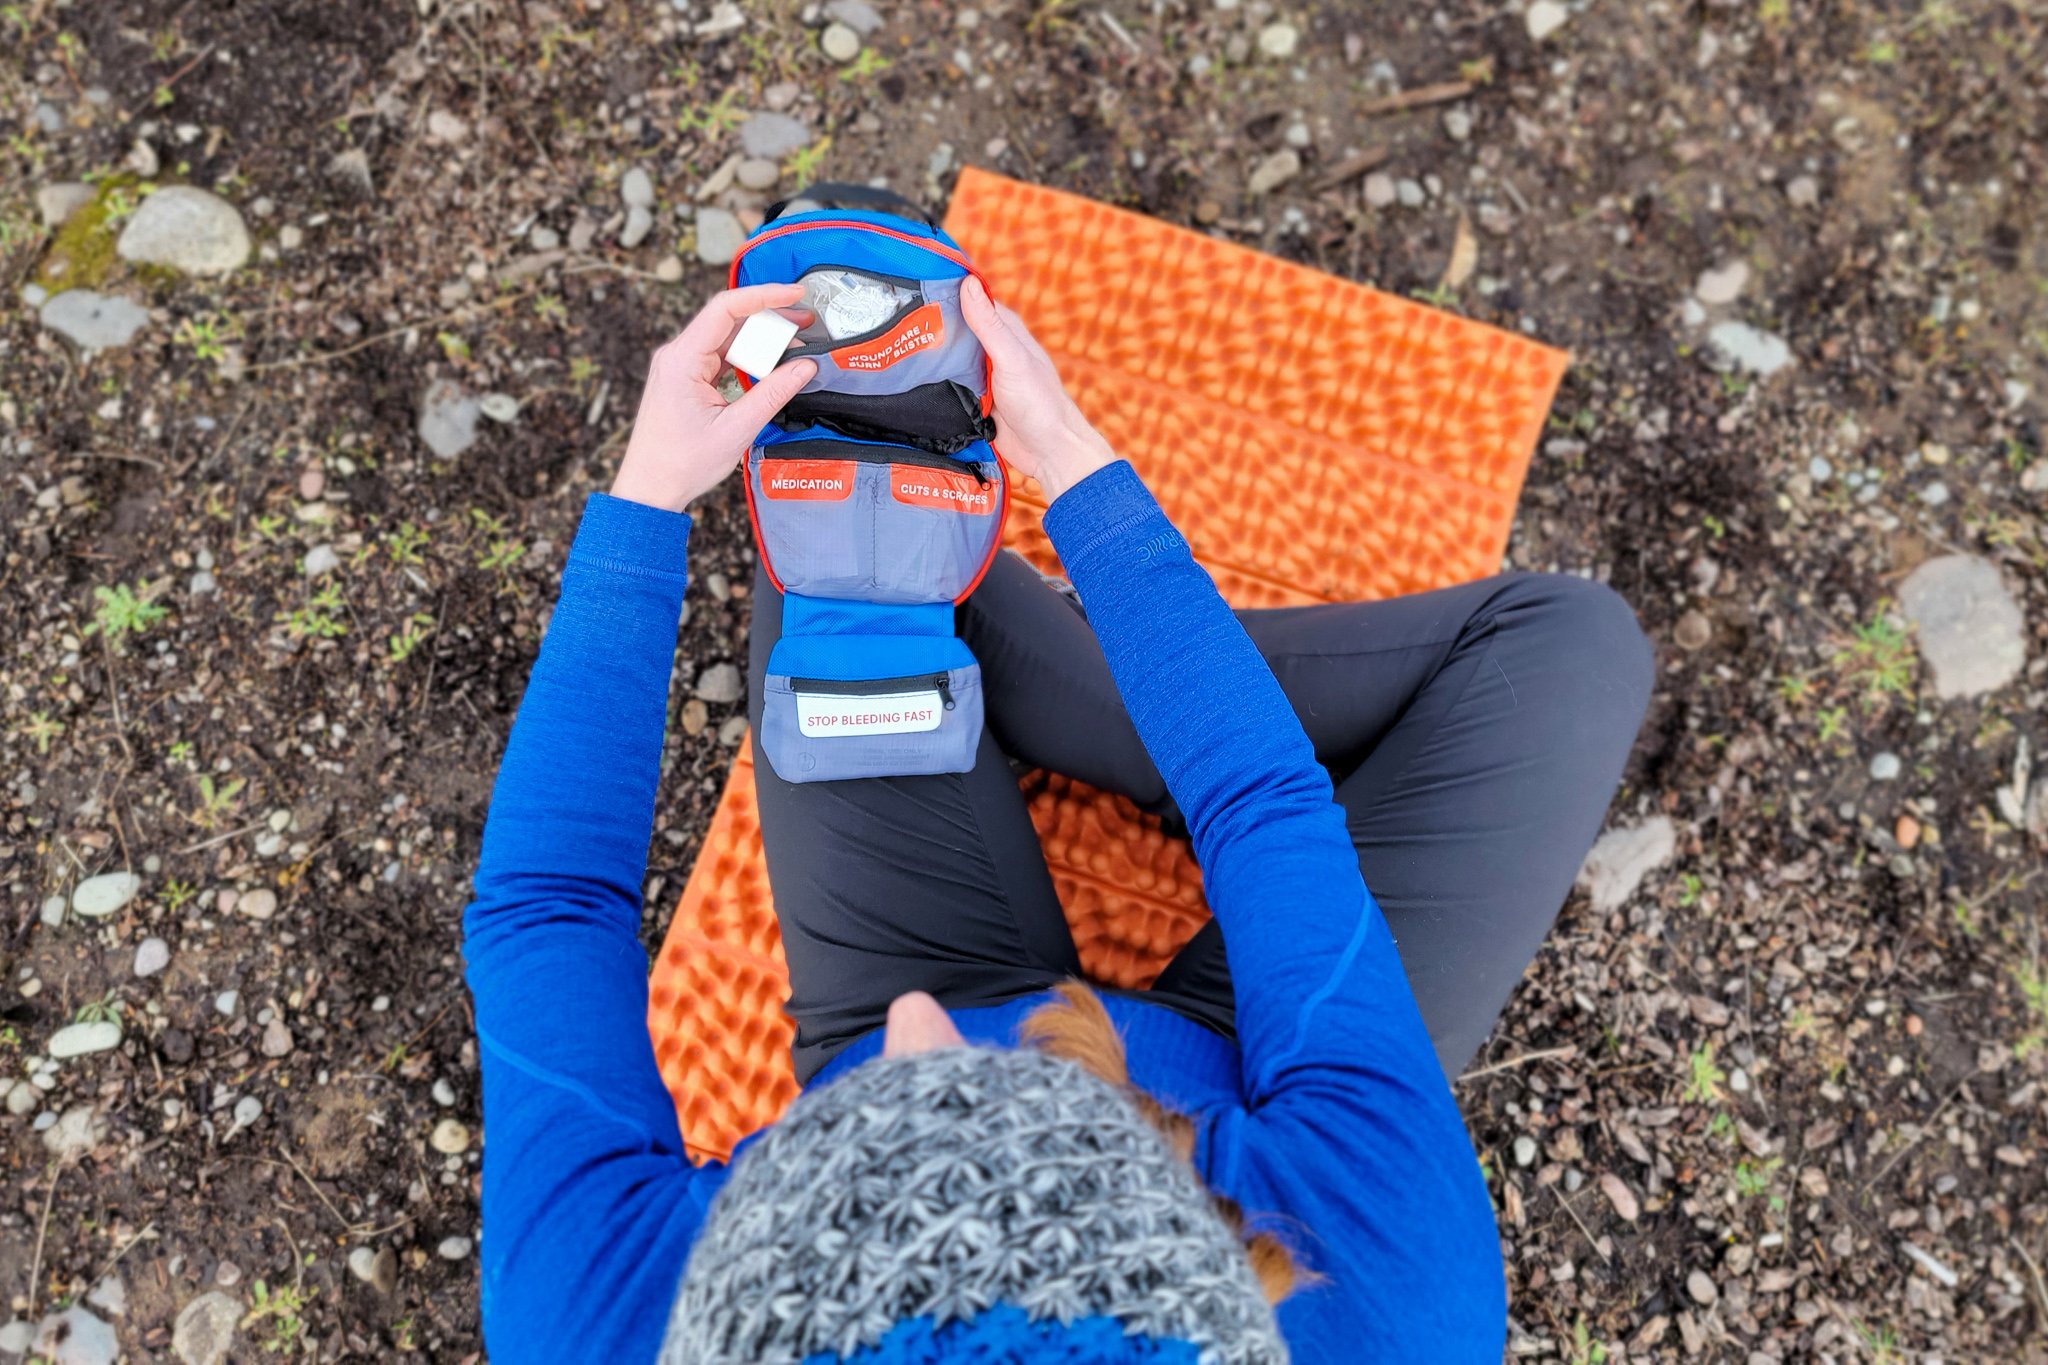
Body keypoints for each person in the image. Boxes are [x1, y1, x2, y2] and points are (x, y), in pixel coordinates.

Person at [463, 277, 1653, 1365]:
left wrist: (645, 505)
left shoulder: (602, 1329)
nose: (915, 1028)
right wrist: (1083, 481)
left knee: (843, 430)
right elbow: (1262, 814)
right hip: (1234, 1072)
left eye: (856, 1134)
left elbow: (545, 910)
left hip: (969, 936)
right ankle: (1073, 684)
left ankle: (1030, 663)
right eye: (1017, 1107)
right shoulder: (1387, 1295)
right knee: (1564, 653)